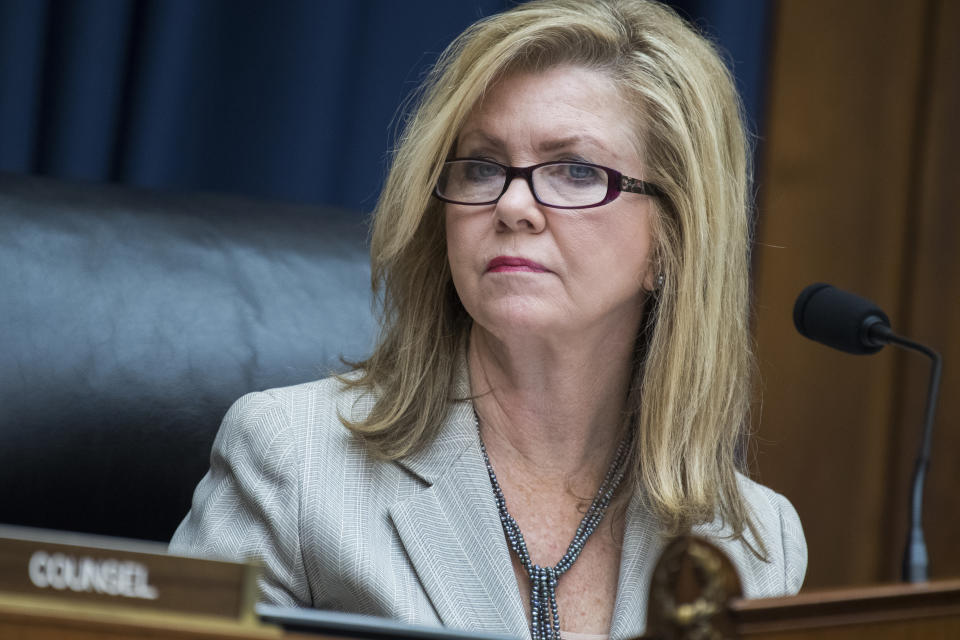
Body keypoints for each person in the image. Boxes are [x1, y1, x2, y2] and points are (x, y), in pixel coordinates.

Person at [169, 1, 807, 638]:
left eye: (576, 170)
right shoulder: (293, 460)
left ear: (671, 239)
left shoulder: (754, 544)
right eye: (481, 166)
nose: (513, 204)